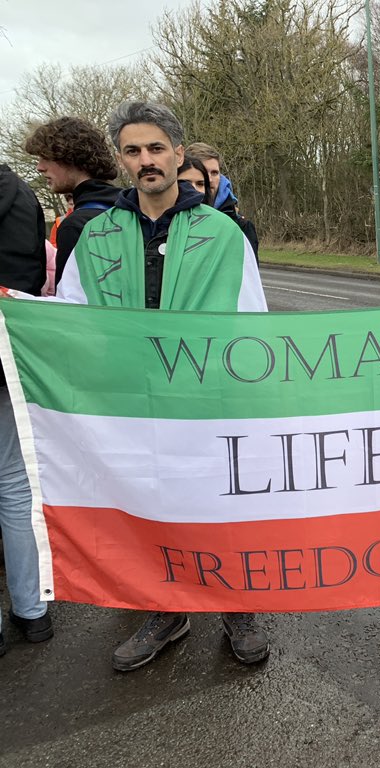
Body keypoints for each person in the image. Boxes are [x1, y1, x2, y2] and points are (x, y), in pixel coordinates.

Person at [56, 101, 270, 671]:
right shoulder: (98, 233)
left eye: (156, 148)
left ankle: (236, 606)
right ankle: (165, 609)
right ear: (121, 160)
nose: (146, 160)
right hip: (129, 405)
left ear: (178, 153)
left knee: (218, 506)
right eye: (133, 150)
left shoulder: (222, 233)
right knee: (148, 506)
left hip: (205, 403)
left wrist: (242, 400)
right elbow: (69, 318)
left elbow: (250, 322)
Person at [0, 165, 51, 655]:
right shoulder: (19, 192)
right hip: (9, 353)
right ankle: (32, 609)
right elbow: (33, 273)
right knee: (14, 483)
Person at [24, 116, 121, 288]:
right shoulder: (130, 209)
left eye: (46, 157)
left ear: (70, 157)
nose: (40, 167)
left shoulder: (76, 225)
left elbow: (71, 306)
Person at [185, 142, 259, 257]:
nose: (209, 179)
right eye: (203, 171)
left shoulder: (240, 227)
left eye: (214, 173)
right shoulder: (170, 221)